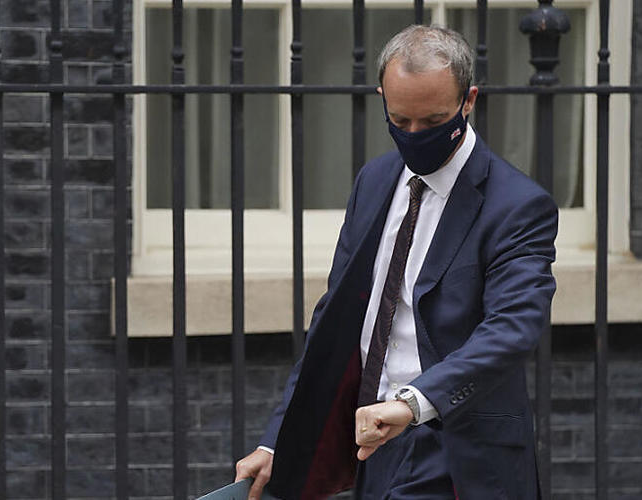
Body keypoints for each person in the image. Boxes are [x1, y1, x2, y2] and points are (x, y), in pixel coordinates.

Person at [234, 25, 557, 500]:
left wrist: (414, 403)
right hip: (372, 443)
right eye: (400, 120)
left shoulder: (518, 205)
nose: (414, 135)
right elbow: (337, 319)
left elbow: (512, 328)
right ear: (383, 97)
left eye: (433, 121)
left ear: (468, 101)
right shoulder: (375, 180)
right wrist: (278, 441)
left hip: (457, 451)